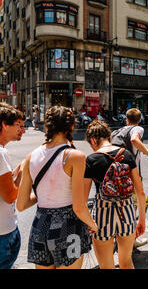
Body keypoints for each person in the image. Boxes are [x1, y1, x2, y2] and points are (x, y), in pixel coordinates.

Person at [16, 106, 96, 269]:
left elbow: (21, 204)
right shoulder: (75, 156)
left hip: (40, 225)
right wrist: (93, 225)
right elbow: (79, 207)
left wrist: (46, 193)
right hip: (68, 225)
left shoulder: (31, 156)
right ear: (72, 127)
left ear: (47, 126)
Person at [84, 120, 146, 269]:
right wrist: (141, 219)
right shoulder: (127, 154)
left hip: (102, 214)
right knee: (126, 262)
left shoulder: (91, 160)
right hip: (127, 210)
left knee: (106, 265)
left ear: (93, 140)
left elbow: (83, 199)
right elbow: (141, 192)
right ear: (108, 136)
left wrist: (88, 223)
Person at [114, 108, 148, 248]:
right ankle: (131, 239)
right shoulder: (137, 129)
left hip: (114, 174)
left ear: (126, 119)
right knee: (132, 205)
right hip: (129, 174)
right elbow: (134, 140)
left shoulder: (119, 131)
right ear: (139, 120)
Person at [0, 105, 26, 269]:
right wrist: (23, 173)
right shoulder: (1, 154)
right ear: (4, 125)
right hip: (3, 232)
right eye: (18, 125)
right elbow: (10, 196)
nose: (22, 130)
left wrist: (14, 173)